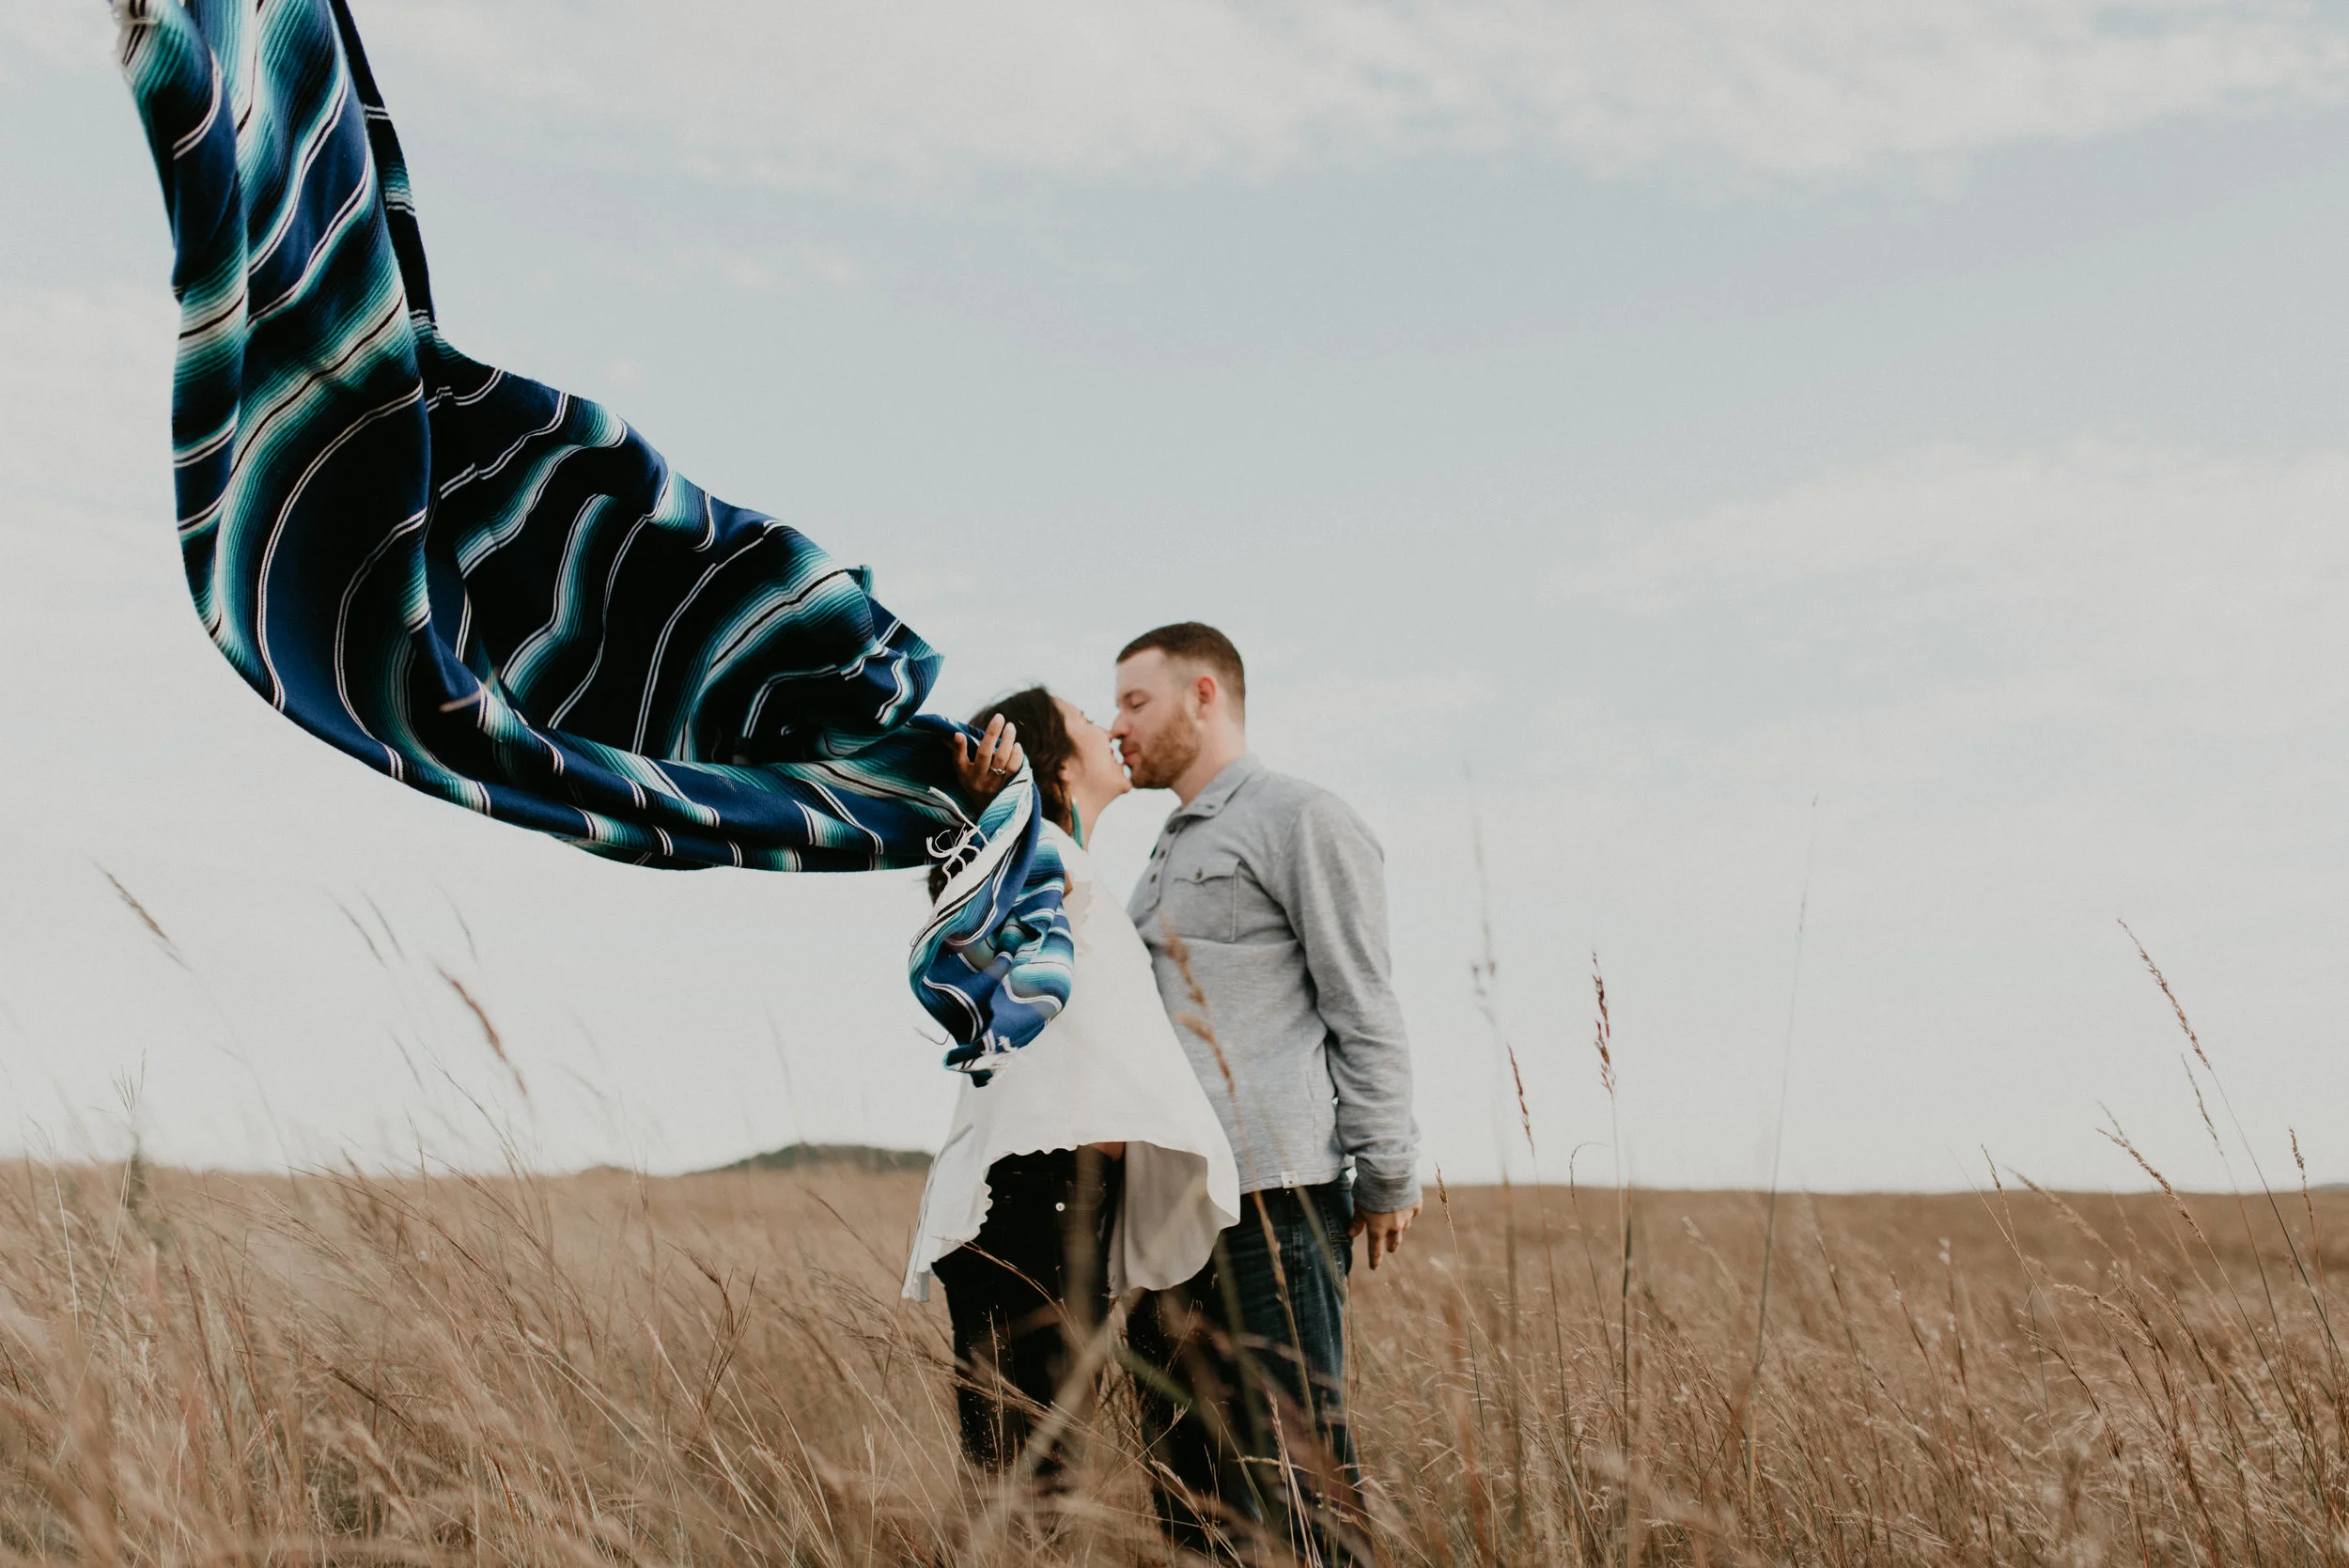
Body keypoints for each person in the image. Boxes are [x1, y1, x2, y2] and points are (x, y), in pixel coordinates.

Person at [1110, 622, 1421, 1564]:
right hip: (1167, 1206)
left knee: (1302, 1479)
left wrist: (1386, 1168)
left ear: (1203, 694)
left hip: (1269, 1195)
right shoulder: (1161, 850)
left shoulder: (1300, 816)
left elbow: (1362, 998)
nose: (1117, 725)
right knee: (1189, 1492)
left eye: (1135, 701)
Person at [905, 689, 1241, 1499]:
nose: (1108, 725)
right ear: (1055, 766)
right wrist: (997, 814)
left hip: (1074, 1203)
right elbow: (978, 921)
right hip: (1027, 1207)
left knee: (1042, 1480)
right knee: (1029, 1488)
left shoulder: (1071, 863)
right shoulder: (1034, 857)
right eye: (1088, 718)